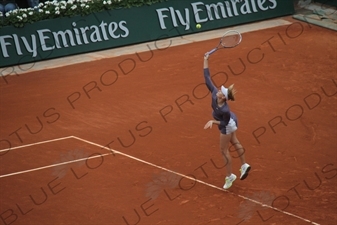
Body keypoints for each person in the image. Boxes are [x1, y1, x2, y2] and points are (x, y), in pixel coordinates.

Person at [203, 53, 251, 189]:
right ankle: (244, 165)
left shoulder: (224, 110)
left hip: (228, 123)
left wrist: (213, 122)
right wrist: (205, 60)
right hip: (231, 120)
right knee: (234, 141)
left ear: (223, 98)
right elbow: (207, 78)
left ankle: (230, 176)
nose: (218, 90)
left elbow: (224, 124)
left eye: (221, 92)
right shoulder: (214, 93)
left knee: (223, 150)